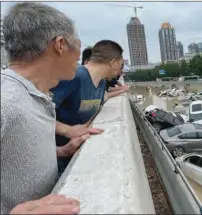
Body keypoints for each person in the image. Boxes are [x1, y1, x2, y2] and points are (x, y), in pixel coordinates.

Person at [1, 2, 84, 214]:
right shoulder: (7, 101)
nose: (79, 57)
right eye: (79, 46)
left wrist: (60, 152)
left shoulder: (35, 96)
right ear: (60, 44)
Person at [51, 40, 129, 174]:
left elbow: (101, 99)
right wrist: (67, 130)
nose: (119, 71)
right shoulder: (74, 76)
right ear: (113, 62)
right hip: (54, 155)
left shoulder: (102, 83)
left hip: (75, 152)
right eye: (121, 64)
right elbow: (35, 113)